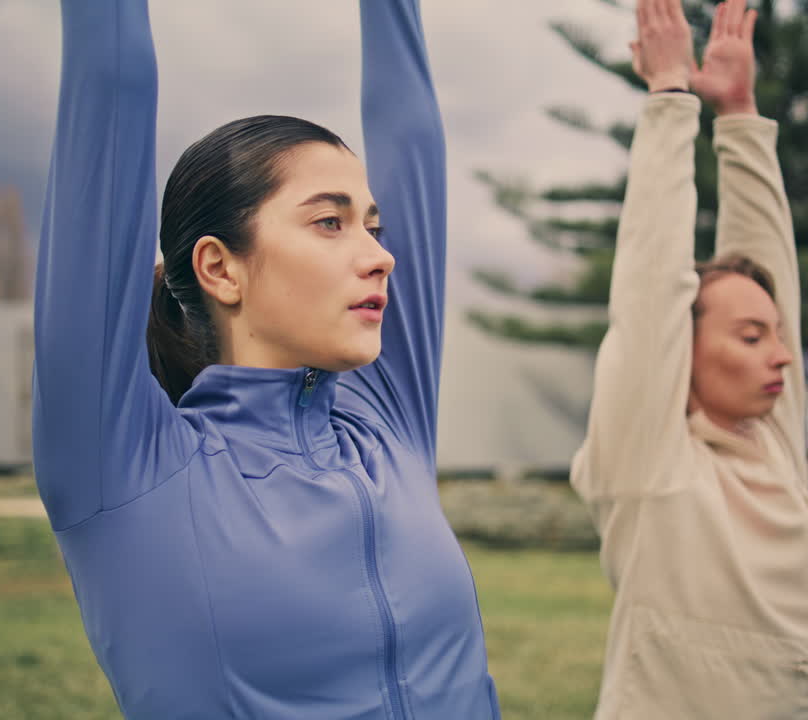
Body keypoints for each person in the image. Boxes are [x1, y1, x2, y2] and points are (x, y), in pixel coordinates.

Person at [32, 1, 500, 718]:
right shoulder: (124, 470)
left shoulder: (384, 425)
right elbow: (112, 84)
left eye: (371, 225)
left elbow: (412, 136)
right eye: (329, 222)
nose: (381, 256)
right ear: (221, 269)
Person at [569, 0, 808, 717]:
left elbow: (768, 263)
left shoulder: (771, 447)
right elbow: (651, 289)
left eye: (776, 334)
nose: (783, 357)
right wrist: (669, 100)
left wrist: (741, 116)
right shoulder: (650, 465)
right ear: (679, 357)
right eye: (751, 338)